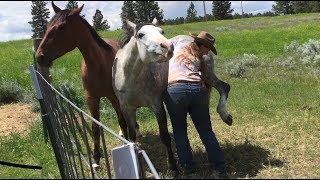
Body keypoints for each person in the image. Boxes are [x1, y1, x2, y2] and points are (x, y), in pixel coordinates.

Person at [165, 31, 227, 177]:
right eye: (208, 48)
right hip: (196, 90)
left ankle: (189, 168)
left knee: (179, 132)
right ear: (203, 45)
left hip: (174, 91)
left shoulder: (178, 45)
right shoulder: (200, 57)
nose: (208, 52)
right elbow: (206, 78)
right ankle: (218, 167)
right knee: (206, 130)